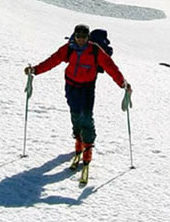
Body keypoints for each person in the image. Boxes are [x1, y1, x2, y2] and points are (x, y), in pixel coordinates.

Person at [24, 24, 131, 167]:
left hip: (87, 88)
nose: (81, 39)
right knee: (75, 114)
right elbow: (53, 60)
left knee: (86, 116)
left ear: (88, 37)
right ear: (75, 35)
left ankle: (87, 147)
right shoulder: (68, 48)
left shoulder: (94, 50)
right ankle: (79, 140)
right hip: (71, 86)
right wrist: (35, 70)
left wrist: (122, 83)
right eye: (78, 36)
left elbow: (110, 66)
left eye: (84, 37)